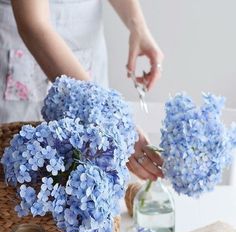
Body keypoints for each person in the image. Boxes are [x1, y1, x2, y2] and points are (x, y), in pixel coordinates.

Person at [0, 0, 164, 180]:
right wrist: (109, 116)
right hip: (28, 50)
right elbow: (33, 24)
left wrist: (137, 25)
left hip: (85, 46)